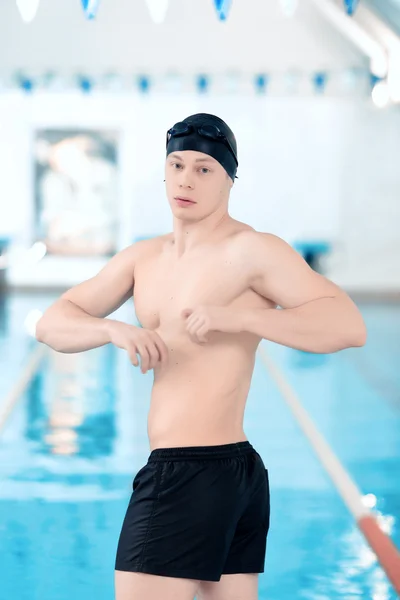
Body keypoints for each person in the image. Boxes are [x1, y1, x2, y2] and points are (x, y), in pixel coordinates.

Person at [35, 113, 367, 600]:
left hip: (188, 474)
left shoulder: (252, 250)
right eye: (177, 165)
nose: (186, 179)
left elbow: (348, 326)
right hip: (233, 473)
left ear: (229, 180)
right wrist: (111, 328)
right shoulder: (142, 258)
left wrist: (244, 318)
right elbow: (50, 324)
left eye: (204, 169)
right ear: (164, 172)